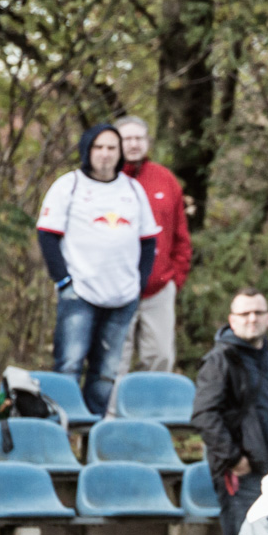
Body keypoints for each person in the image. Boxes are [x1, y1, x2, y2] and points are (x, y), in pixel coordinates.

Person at [36, 123, 159, 413]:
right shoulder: (69, 185)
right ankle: (62, 432)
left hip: (123, 297)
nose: (105, 154)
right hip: (79, 293)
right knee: (69, 364)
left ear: (120, 154)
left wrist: (139, 283)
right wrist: (64, 280)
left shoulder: (132, 189)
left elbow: (148, 240)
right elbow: (47, 235)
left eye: (111, 148)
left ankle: (92, 436)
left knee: (106, 373)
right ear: (87, 150)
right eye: (98, 147)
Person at [191, 287, 268, 535]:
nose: (252, 318)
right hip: (243, 471)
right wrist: (233, 457)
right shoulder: (220, 360)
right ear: (232, 320)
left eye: (258, 312)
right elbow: (204, 414)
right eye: (244, 313)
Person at [113, 116, 191, 375]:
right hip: (115, 288)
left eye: (139, 138)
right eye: (127, 139)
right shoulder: (105, 180)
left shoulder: (165, 179)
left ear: (147, 142)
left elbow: (181, 236)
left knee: (160, 356)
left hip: (158, 288)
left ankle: (150, 413)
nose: (134, 144)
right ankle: (112, 414)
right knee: (114, 361)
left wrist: (174, 279)